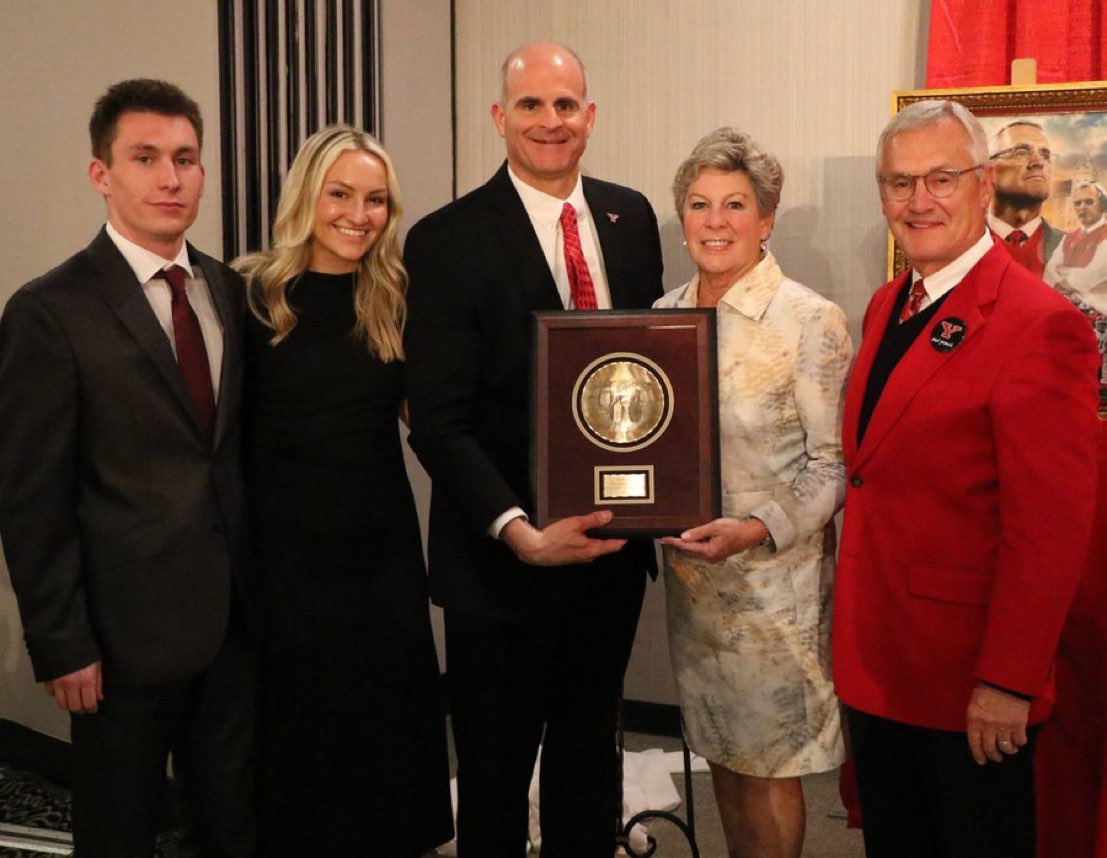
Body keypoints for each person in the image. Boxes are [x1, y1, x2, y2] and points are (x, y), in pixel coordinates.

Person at [403, 41, 663, 857]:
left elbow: (644, 382)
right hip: (502, 562)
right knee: (494, 771)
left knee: (590, 756)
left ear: (589, 117)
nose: (548, 122)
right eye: (529, 106)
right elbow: (436, 419)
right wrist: (519, 530)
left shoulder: (630, 218)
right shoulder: (445, 239)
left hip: (611, 553)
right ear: (498, 118)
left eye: (563, 105)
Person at [833, 99, 1099, 857]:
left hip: (968, 687)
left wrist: (1008, 681)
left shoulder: (1039, 324)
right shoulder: (889, 303)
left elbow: (1047, 532)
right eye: (898, 183)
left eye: (940, 179)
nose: (917, 201)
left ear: (983, 185)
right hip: (880, 660)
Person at [0, 79, 254, 855]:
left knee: (231, 827)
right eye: (145, 158)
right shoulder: (49, 311)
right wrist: (60, 639)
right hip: (118, 640)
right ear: (101, 174)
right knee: (119, 833)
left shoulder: (228, 288)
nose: (170, 178)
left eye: (185, 158)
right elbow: (28, 493)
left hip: (234, 627)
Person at [233, 125, 452, 857]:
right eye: (341, 194)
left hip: (378, 563)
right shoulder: (249, 294)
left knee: (381, 752)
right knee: (294, 757)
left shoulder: (394, 296)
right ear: (307, 196)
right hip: (281, 566)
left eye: (376, 200)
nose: (359, 214)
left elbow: (437, 424)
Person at [656, 128, 850, 858]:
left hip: (773, 591)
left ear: (765, 219)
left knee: (768, 767)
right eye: (699, 204)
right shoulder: (660, 315)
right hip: (693, 586)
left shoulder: (808, 321)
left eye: (733, 205)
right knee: (721, 764)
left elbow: (831, 468)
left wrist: (754, 527)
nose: (714, 221)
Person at [986, 120, 1063, 277]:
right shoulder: (956, 248)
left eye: (1045, 155)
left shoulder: (1074, 248)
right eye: (1021, 152)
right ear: (989, 170)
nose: (1038, 162)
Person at [1044, 180, 1107, 313]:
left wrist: (1064, 271)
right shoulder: (1068, 237)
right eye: (1077, 203)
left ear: (1103, 205)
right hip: (1067, 311)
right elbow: (1048, 274)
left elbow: (1087, 278)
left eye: (1089, 202)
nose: (1082, 207)